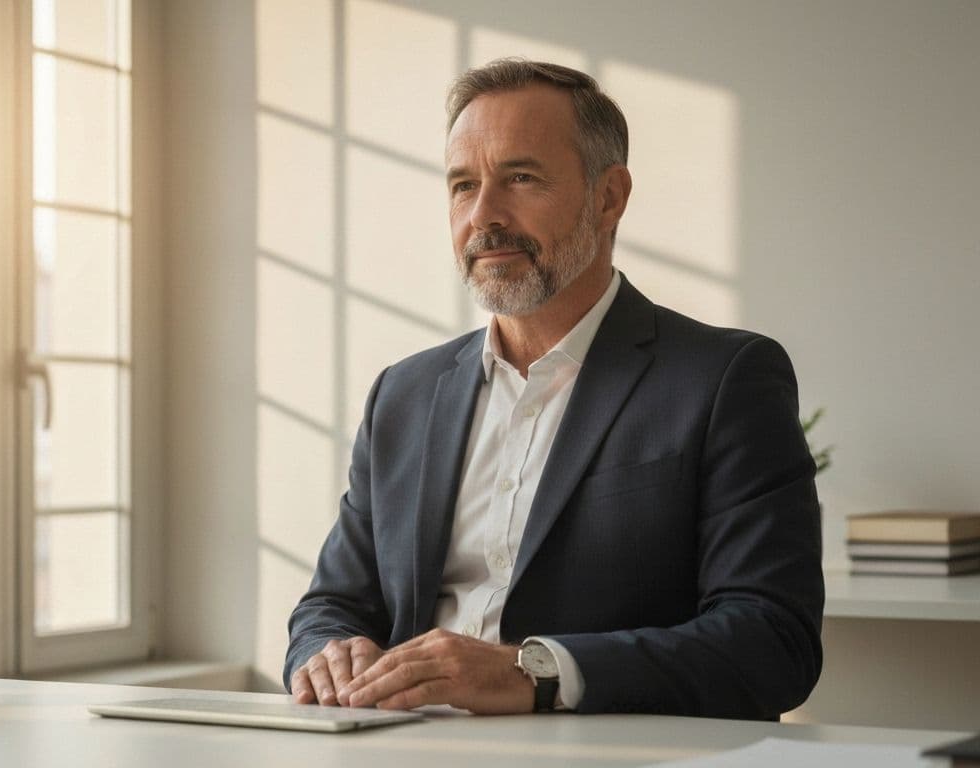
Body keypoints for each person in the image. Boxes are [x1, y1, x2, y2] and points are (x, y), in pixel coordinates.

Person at [284, 59, 823, 720]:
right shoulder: (404, 394)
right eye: (463, 185)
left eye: (521, 178)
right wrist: (329, 651)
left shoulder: (724, 379)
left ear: (609, 197)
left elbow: (773, 642)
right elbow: (332, 605)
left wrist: (536, 671)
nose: (484, 215)